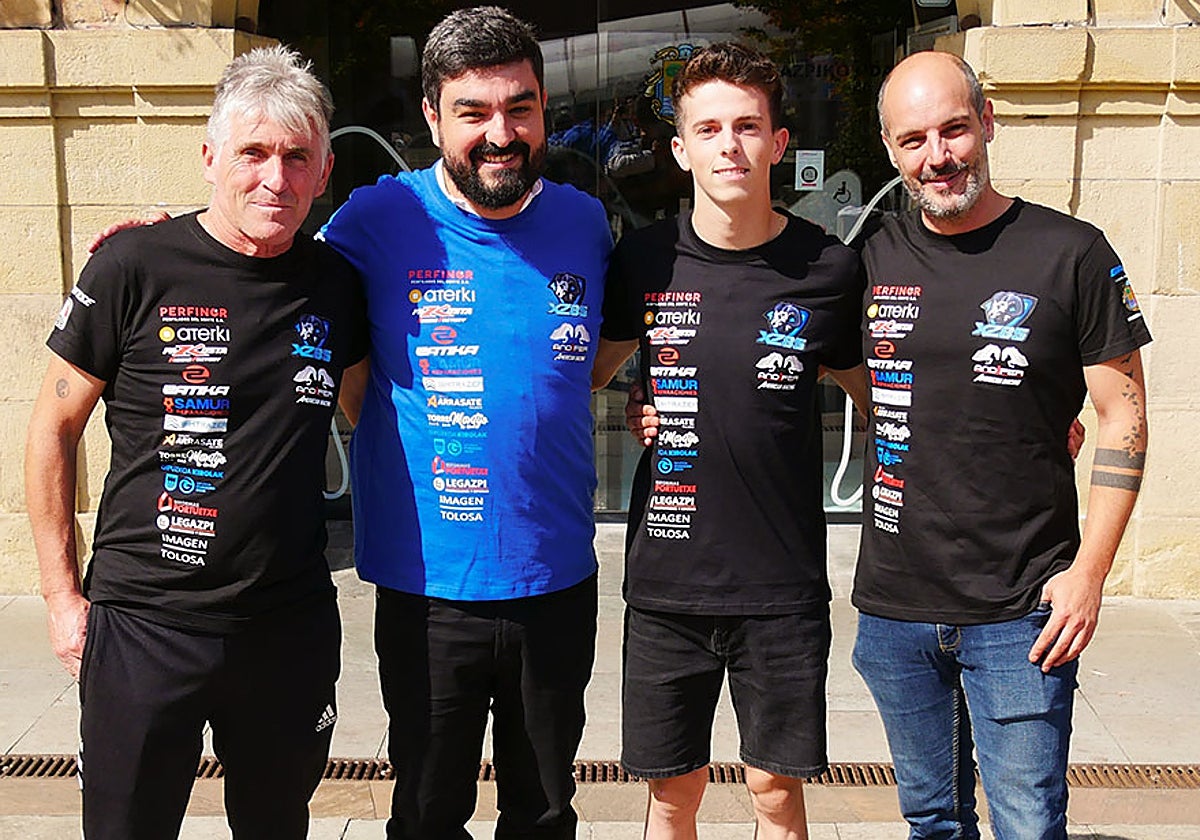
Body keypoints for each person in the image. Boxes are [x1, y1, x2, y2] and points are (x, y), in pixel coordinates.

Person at [25, 45, 367, 840]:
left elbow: (380, 412)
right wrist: (60, 596)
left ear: (324, 172)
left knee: (276, 826)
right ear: (211, 158)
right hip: (145, 626)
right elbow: (52, 428)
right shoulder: (133, 265)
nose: (274, 180)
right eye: (252, 153)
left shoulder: (337, 283)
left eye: (296, 158)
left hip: (287, 629)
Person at [318, 7, 612, 839]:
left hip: (557, 577)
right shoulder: (377, 220)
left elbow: (598, 352)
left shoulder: (586, 222)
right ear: (432, 117)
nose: (500, 134)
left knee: (547, 809)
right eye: (474, 112)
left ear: (544, 108)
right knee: (425, 810)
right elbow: (275, 284)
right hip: (426, 588)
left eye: (518, 108)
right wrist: (159, 245)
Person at [848, 50, 1150, 840]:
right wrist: (654, 409)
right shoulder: (866, 260)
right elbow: (798, 367)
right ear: (890, 151)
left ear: (987, 123)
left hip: (1024, 608)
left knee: (1026, 821)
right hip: (896, 607)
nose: (937, 156)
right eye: (913, 140)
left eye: (953, 129)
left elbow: (1122, 417)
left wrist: (1089, 577)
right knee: (932, 824)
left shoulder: (1073, 253)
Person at [592, 43, 865, 839]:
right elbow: (583, 373)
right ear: (680, 149)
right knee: (671, 794)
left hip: (780, 587)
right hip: (667, 583)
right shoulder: (642, 261)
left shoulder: (829, 267)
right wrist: (640, 397)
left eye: (747, 126)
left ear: (778, 143)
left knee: (776, 794)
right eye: (707, 128)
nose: (729, 145)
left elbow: (884, 397)